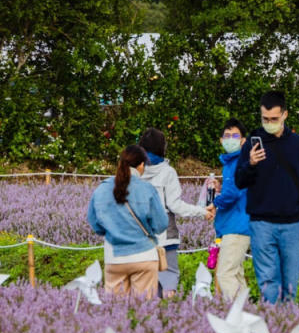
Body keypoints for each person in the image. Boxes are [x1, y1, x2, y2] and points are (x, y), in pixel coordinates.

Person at [235, 91, 299, 303]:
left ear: (285, 115)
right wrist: (251, 163)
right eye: (265, 119)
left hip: (292, 224)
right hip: (261, 223)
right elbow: (239, 180)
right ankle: (274, 324)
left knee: (290, 283)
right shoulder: (252, 144)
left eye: (274, 119)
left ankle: (285, 323)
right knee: (268, 284)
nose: (269, 123)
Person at [138, 128, 214, 299]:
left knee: (147, 282)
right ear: (162, 148)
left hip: (141, 235)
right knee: (169, 278)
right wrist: (202, 212)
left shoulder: (135, 171)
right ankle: (169, 316)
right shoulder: (167, 172)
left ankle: (148, 319)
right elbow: (176, 206)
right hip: (165, 234)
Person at [87, 145, 168, 298]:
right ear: (141, 165)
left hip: (114, 257)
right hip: (144, 256)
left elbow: (95, 224)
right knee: (144, 310)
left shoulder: (102, 189)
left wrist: (113, 230)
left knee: (115, 311)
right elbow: (161, 224)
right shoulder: (147, 189)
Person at [212, 119, 252, 300]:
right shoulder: (232, 162)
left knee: (225, 274)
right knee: (235, 274)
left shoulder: (238, 162)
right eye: (226, 136)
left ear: (243, 141)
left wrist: (214, 202)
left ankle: (239, 317)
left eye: (235, 136)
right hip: (234, 224)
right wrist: (220, 190)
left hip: (236, 226)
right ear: (221, 140)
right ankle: (248, 314)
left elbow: (233, 193)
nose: (230, 139)